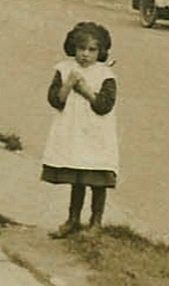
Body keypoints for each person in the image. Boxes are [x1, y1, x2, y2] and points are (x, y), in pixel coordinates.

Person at [41, 21, 119, 238]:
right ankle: (73, 219)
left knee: (96, 178)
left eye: (92, 50)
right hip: (72, 131)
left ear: (101, 52)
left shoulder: (105, 75)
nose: (85, 54)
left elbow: (104, 106)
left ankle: (96, 222)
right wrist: (68, 84)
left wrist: (85, 89)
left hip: (96, 134)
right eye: (81, 49)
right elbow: (55, 100)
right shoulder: (64, 69)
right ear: (73, 48)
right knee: (77, 176)